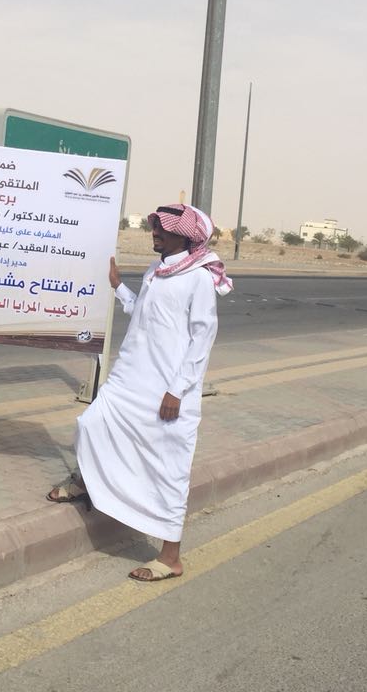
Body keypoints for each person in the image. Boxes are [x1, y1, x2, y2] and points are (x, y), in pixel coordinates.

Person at [48, 204, 232, 580]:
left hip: (168, 388)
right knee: (92, 424)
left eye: (164, 229)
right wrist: (118, 287)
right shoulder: (156, 269)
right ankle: (87, 483)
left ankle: (170, 557)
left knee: (168, 468)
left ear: (186, 236)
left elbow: (202, 338)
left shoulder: (197, 279)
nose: (155, 233)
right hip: (130, 378)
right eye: (155, 226)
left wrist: (176, 391)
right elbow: (144, 314)